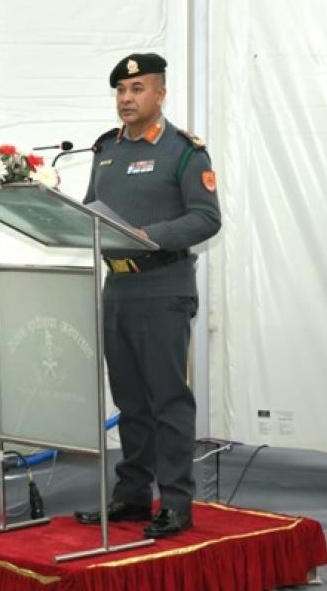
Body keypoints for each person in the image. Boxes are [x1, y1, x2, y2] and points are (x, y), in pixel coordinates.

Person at [74, 52, 221, 538]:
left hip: (163, 289)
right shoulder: (105, 152)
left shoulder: (183, 151)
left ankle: (176, 503)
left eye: (137, 90)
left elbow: (206, 218)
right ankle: (133, 496)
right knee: (131, 401)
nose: (126, 99)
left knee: (168, 401)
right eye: (120, 91)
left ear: (160, 93)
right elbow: (92, 214)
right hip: (118, 288)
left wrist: (147, 235)